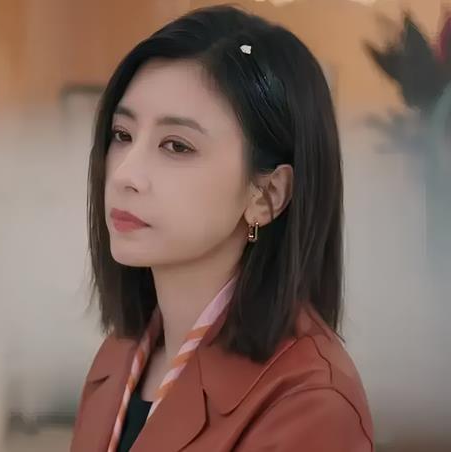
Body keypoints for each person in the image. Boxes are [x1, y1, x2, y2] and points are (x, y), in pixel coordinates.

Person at [70, 5, 373, 452]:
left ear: (267, 195)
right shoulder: (121, 355)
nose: (124, 174)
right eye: (122, 135)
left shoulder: (310, 404)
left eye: (177, 146)